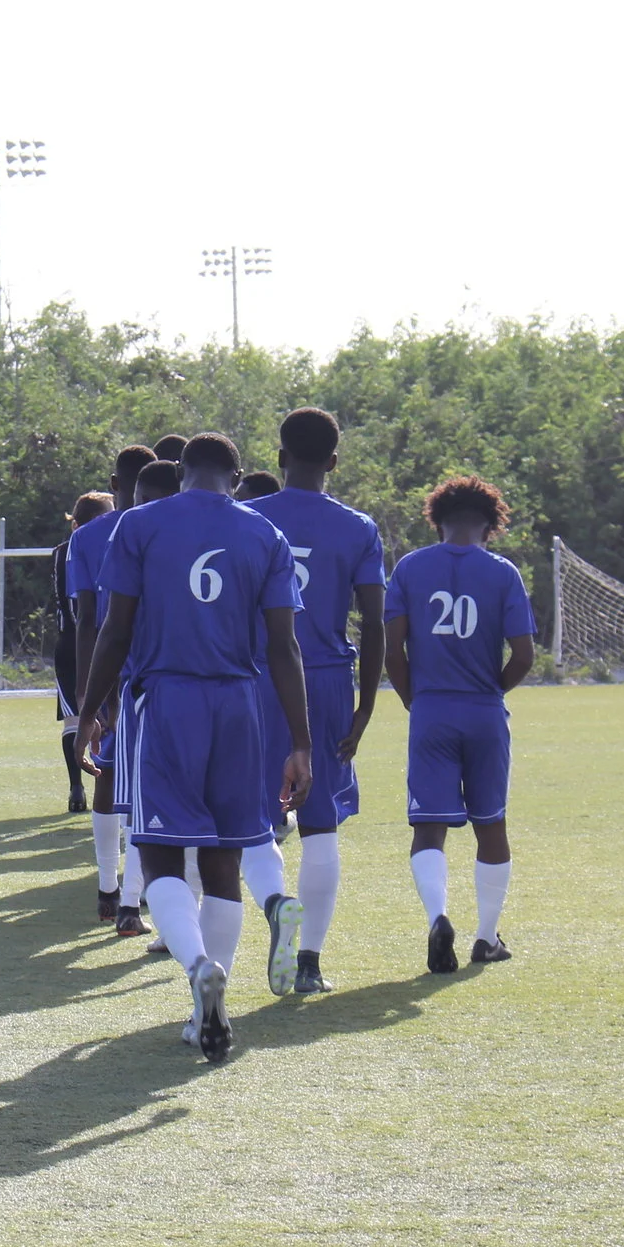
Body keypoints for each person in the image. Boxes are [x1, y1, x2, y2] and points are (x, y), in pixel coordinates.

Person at [77, 432, 310, 1059]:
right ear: (235, 480)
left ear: (182, 476)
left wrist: (91, 710)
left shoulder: (139, 525)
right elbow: (284, 647)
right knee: (224, 861)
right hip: (240, 705)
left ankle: (197, 970)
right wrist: (301, 744)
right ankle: (213, 1002)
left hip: (165, 702)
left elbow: (113, 628)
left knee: (157, 856)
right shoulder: (265, 534)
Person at [240, 409, 388, 994]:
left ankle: (277, 903)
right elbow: (376, 623)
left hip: (257, 680)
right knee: (321, 826)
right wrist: (367, 707)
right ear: (333, 461)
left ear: (279, 459)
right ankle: (310, 966)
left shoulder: (247, 518)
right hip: (326, 682)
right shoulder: (357, 528)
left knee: (252, 822)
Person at [385, 476, 534, 973]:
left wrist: (416, 701)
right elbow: (524, 654)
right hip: (484, 711)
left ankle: (437, 915)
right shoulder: (503, 573)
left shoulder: (409, 568)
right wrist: (492, 691)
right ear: (491, 526)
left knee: (428, 827)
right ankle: (487, 938)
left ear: (437, 521)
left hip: (431, 711)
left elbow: (393, 651)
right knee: (490, 823)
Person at [71, 444, 156, 933]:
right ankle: (131, 900)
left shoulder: (89, 536)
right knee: (150, 788)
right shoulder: (169, 530)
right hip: (158, 672)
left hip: (112, 672)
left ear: (115, 482)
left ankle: (108, 889)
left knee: (106, 775)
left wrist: (90, 696)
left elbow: (87, 621)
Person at [50, 491, 114, 813]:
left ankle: (77, 788)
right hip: (98, 638)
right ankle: (107, 785)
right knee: (108, 717)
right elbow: (84, 612)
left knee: (76, 718)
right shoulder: (112, 545)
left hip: (73, 640)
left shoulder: (62, 552)